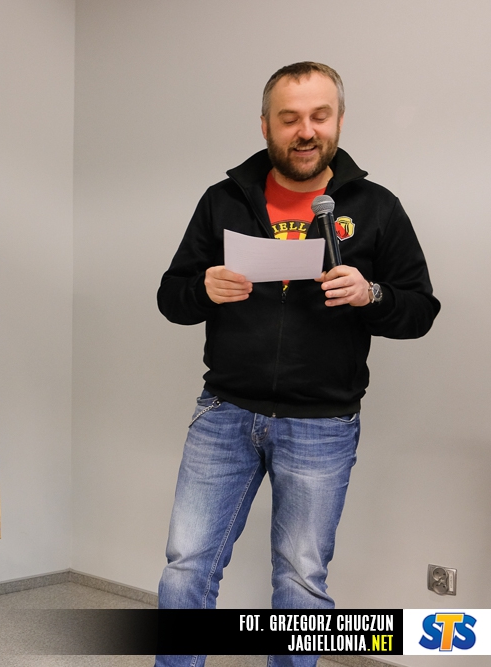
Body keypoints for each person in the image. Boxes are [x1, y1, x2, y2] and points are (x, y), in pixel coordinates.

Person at [154, 62, 439, 667]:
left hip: (323, 425)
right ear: (266, 126)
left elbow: (420, 310)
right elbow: (171, 298)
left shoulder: (377, 207)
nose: (305, 131)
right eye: (290, 119)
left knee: (302, 581)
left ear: (338, 121)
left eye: (319, 116)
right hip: (224, 413)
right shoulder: (223, 200)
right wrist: (202, 288)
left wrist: (372, 294)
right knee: (186, 567)